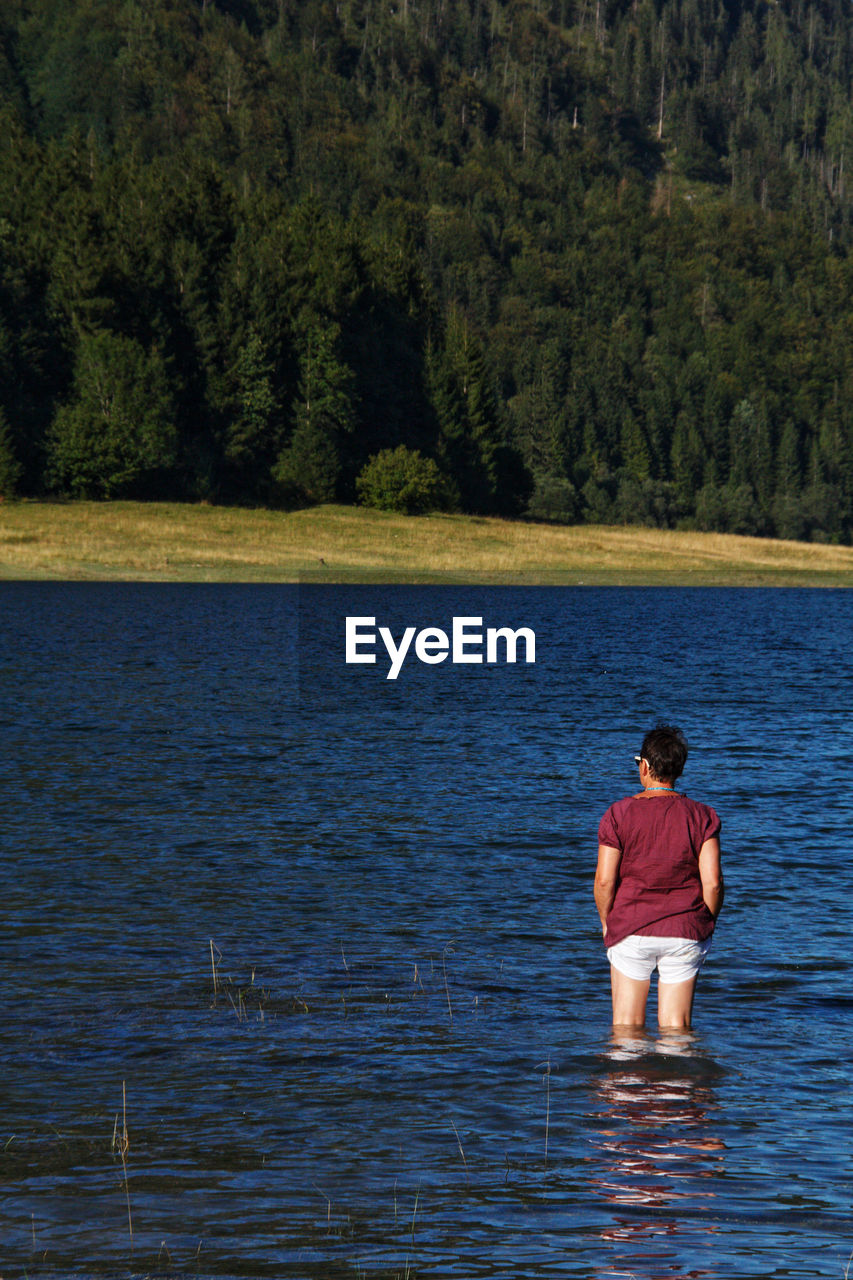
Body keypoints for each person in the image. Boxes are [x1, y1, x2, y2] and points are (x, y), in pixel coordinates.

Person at [594, 725, 724, 1030]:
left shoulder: (618, 814)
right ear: (678, 769)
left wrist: (606, 921)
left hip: (631, 925)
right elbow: (714, 882)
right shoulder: (703, 816)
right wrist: (706, 922)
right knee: (676, 1027)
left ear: (645, 766)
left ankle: (627, 1076)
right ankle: (678, 1076)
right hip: (685, 927)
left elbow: (603, 881)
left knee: (627, 1026)